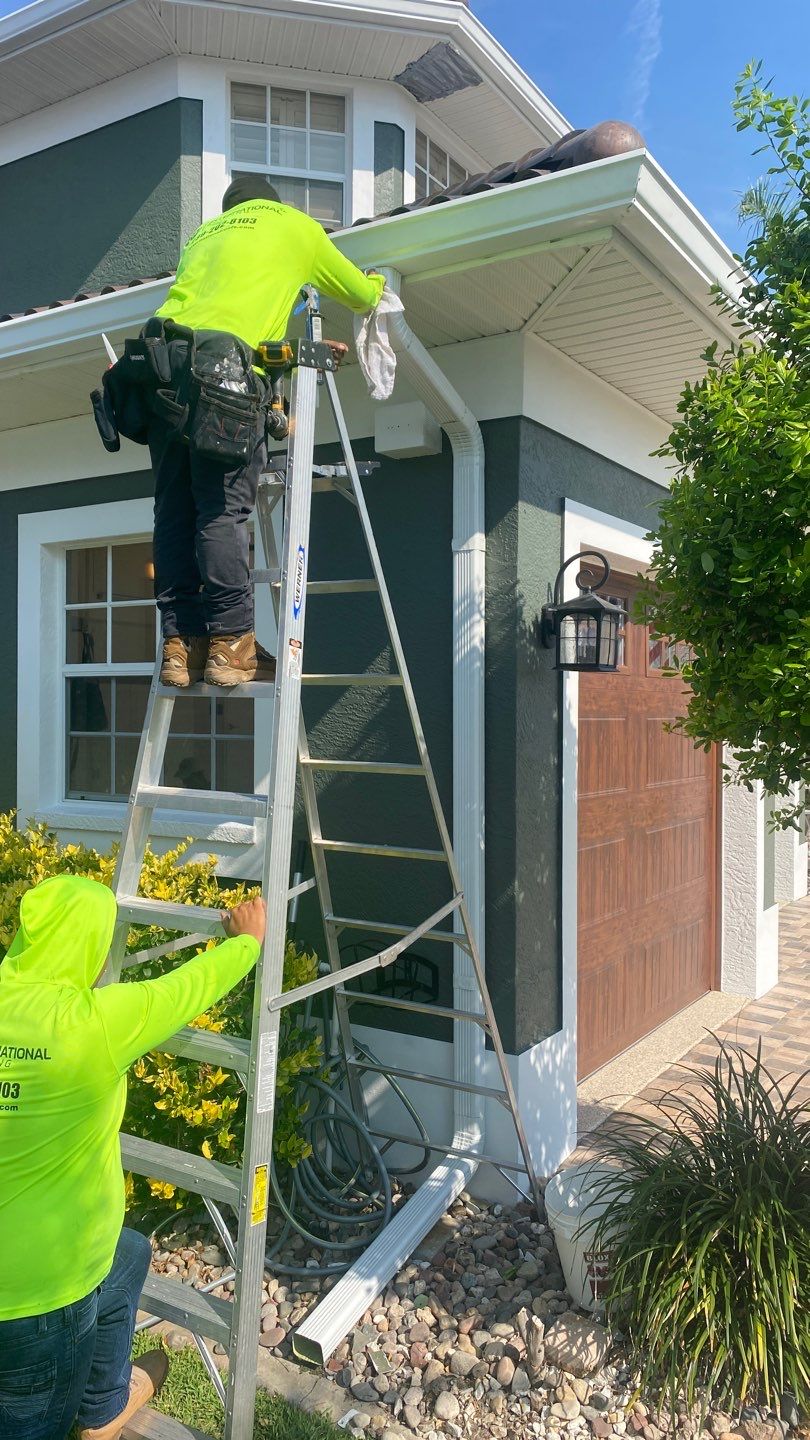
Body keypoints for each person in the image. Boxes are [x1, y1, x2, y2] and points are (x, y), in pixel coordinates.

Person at [0, 874, 267, 1440]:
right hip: (43, 1295)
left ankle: (102, 1406)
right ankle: (85, 1416)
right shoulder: (95, 1024)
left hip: (54, 1264)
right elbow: (189, 986)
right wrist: (247, 941)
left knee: (128, 1255)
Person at [143, 175, 386, 689]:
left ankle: (180, 647)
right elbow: (362, 294)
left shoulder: (203, 237)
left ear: (230, 208)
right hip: (224, 381)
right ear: (273, 204)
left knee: (174, 512)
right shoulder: (295, 226)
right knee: (221, 511)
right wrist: (378, 285)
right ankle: (232, 645)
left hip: (162, 377)